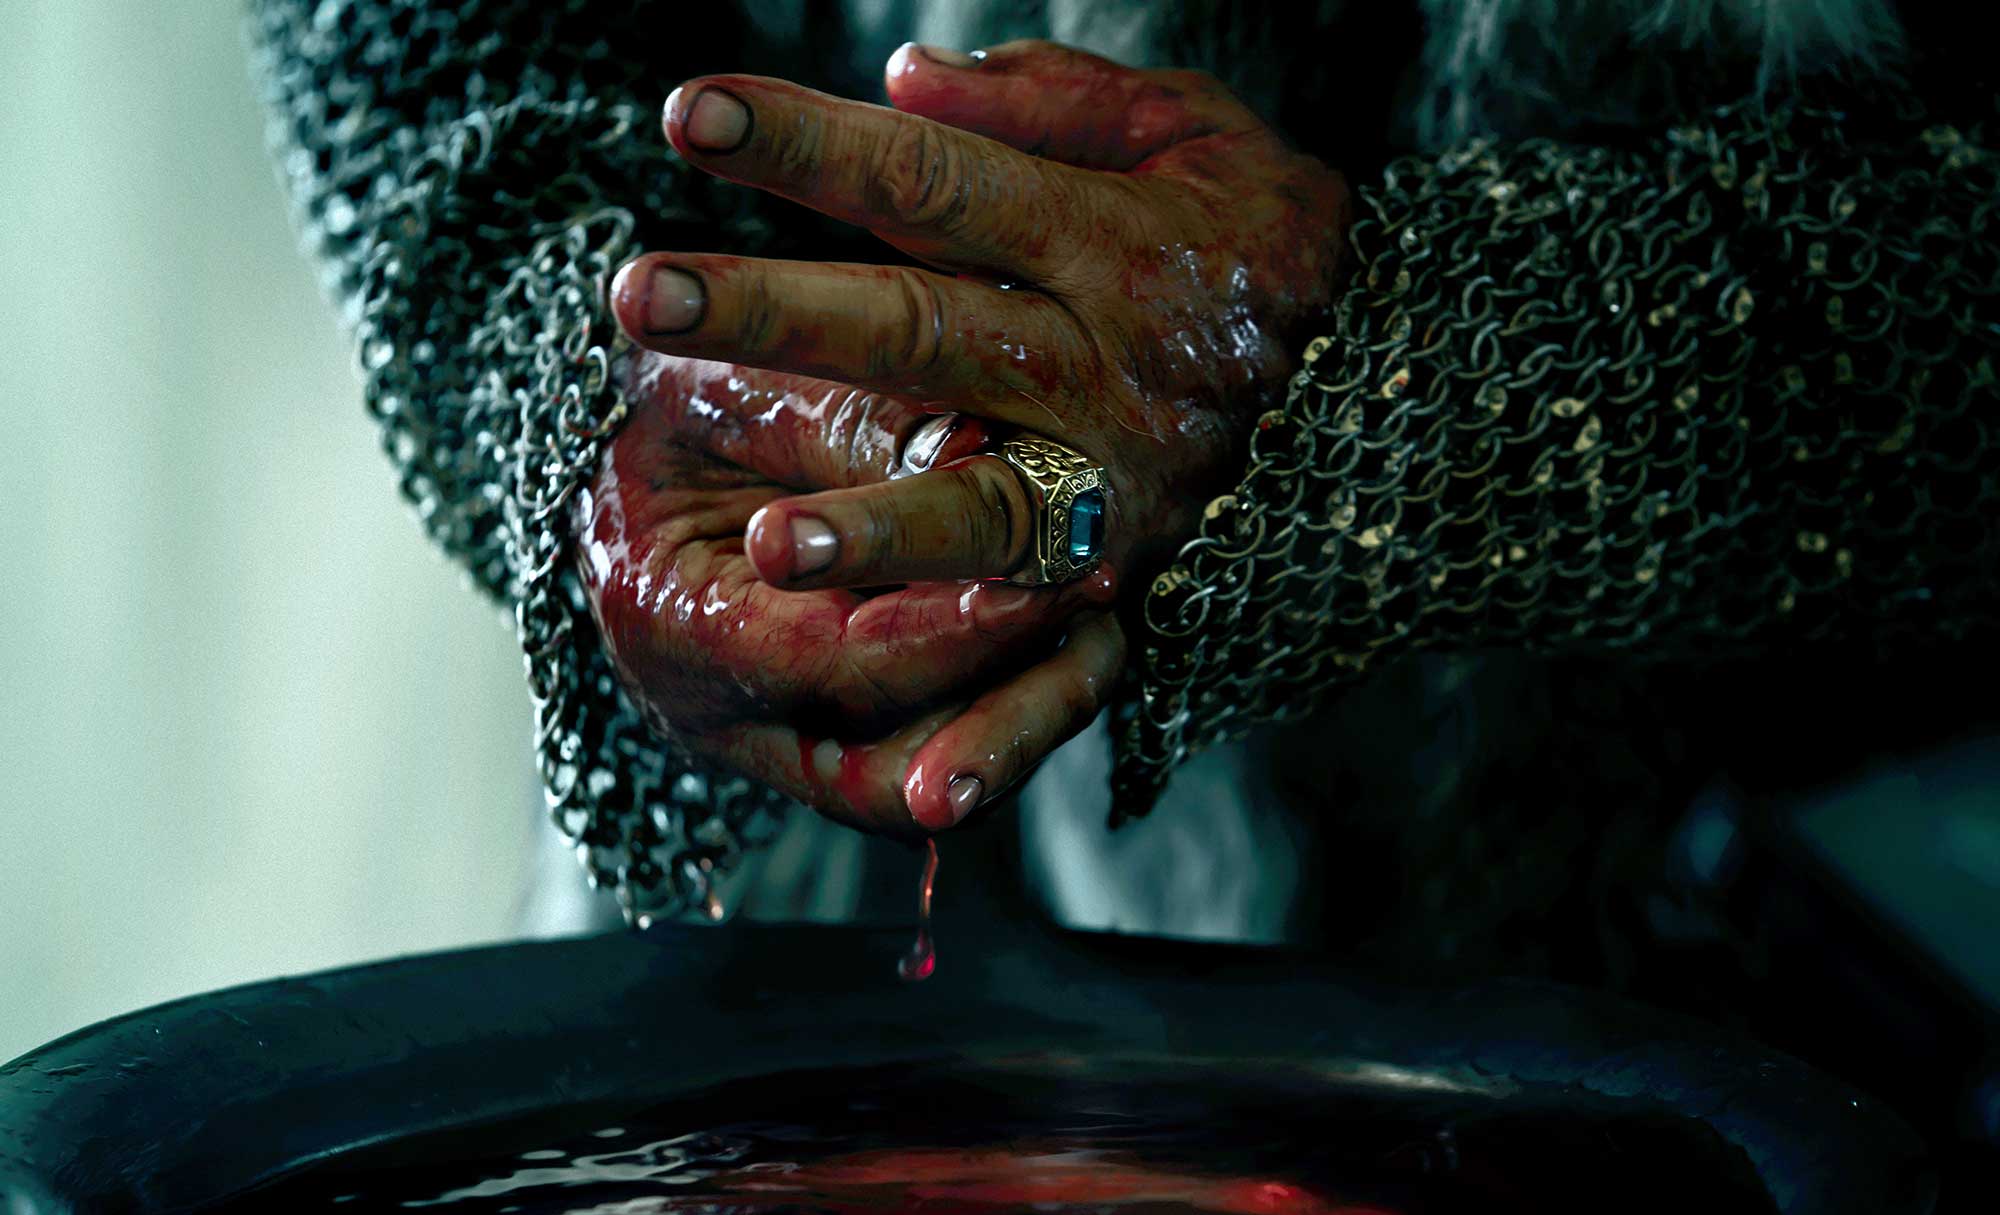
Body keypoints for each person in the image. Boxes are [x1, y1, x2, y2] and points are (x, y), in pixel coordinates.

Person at [251, 0, 1995, 981]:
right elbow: (420, 37)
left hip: (1828, 914)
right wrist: (570, 363)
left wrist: (1420, 381)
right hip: (872, 896)